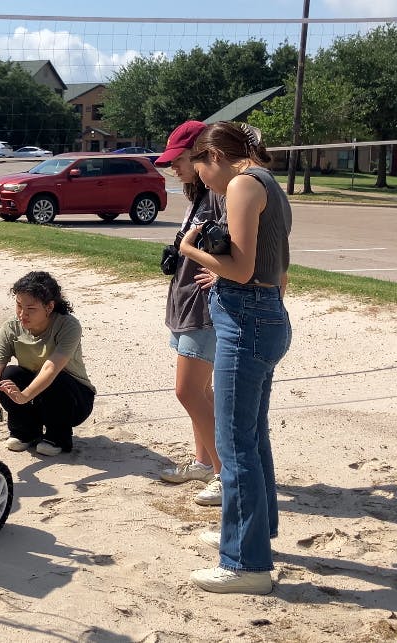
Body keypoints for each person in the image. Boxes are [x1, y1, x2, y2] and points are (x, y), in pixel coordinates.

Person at [178, 121, 292, 594]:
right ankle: (254, 535)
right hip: (264, 316)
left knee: (234, 444)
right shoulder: (269, 182)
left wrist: (190, 249)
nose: (203, 182)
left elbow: (241, 268)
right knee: (252, 436)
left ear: (214, 156)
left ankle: (246, 565)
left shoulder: (243, 184)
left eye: (201, 170)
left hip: (246, 323)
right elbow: (274, 267)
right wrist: (226, 276)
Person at [153, 120, 224, 507]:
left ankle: (225, 474)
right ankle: (203, 462)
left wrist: (222, 274)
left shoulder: (220, 194)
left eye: (177, 160)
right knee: (201, 391)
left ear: (201, 154)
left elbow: (244, 248)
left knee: (188, 391)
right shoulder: (198, 195)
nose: (173, 168)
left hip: (203, 307)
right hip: (185, 300)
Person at [0, 271, 95, 457]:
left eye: (31, 309)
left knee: (56, 379)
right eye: (19, 306)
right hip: (34, 395)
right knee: (8, 375)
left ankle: (57, 436)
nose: (22, 314)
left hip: (73, 398)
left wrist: (24, 396)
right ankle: (24, 432)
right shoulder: (11, 327)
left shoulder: (68, 325)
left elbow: (51, 368)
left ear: (49, 307)